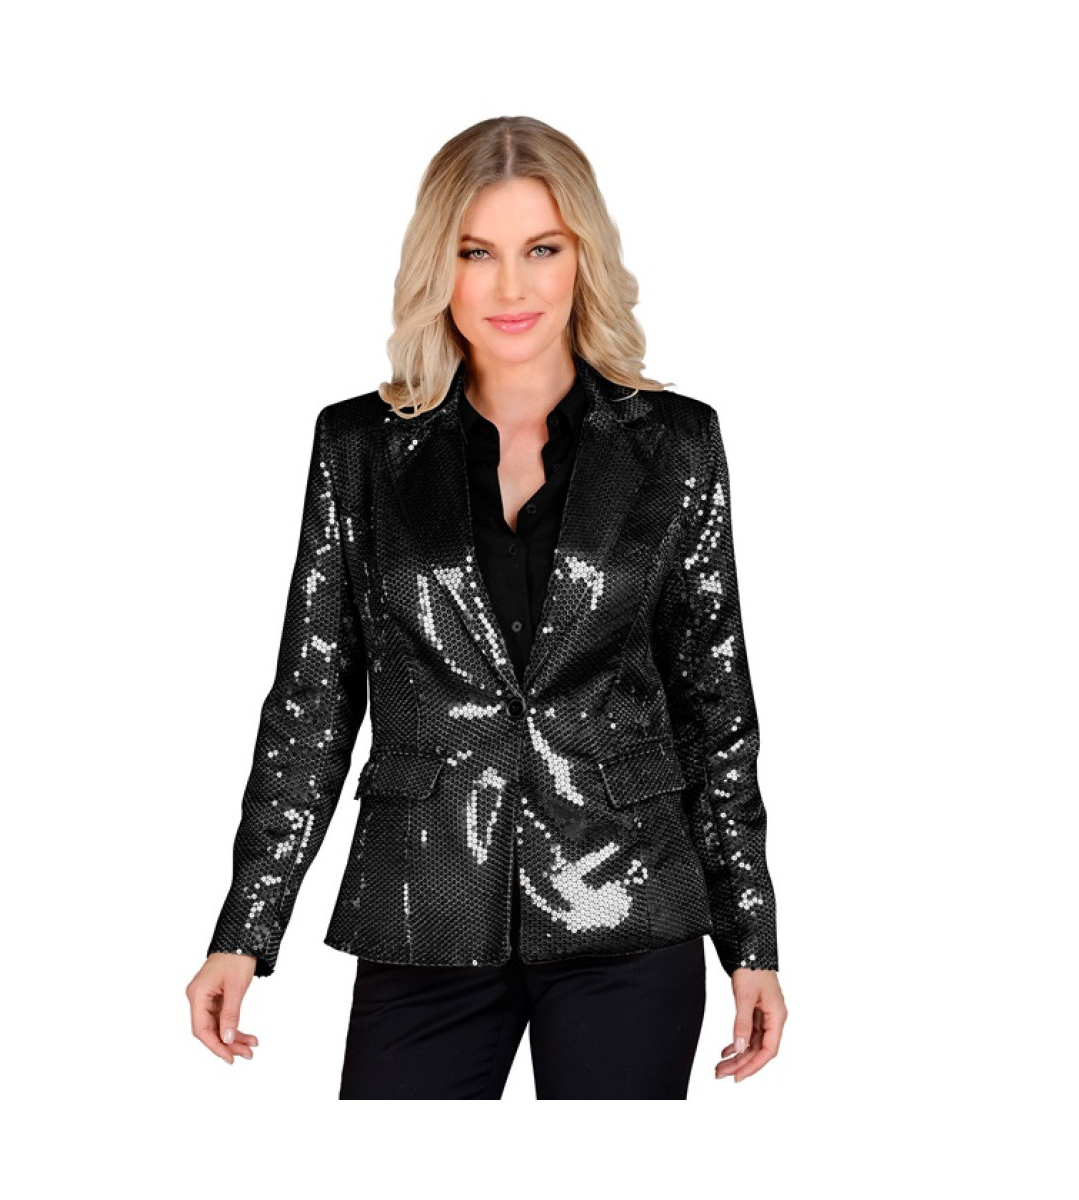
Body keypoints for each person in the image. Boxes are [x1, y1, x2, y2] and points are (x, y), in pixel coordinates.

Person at [185, 116, 787, 1099]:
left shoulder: (675, 444)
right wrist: (245, 928)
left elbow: (714, 706)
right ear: (440, 266)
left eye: (541, 250)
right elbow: (312, 701)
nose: (511, 288)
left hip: (629, 905)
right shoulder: (359, 448)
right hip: (423, 904)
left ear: (583, 259)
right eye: (477, 253)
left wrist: (750, 937)